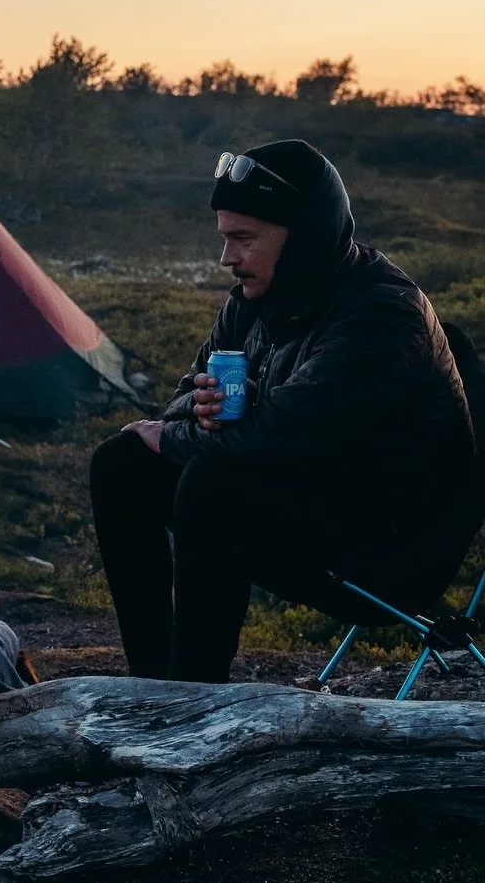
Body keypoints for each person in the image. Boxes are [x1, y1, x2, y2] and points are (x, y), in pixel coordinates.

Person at [89, 140, 473, 683]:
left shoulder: (383, 314)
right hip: (298, 503)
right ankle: (154, 683)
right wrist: (194, 411)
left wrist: (179, 434)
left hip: (385, 546)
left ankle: (194, 695)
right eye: (224, 238)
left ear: (305, 237)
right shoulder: (252, 303)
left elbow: (280, 436)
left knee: (212, 482)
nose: (227, 257)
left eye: (243, 239)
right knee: (122, 462)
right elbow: (182, 400)